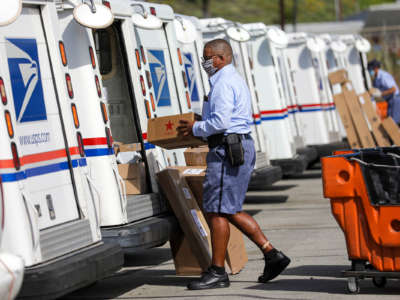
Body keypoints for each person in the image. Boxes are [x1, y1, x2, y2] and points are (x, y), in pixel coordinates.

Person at [177, 39, 290, 290]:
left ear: (222, 58)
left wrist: (195, 127)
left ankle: (217, 271)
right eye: (204, 57)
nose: (205, 62)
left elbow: (220, 121)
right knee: (228, 209)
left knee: (218, 210)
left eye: (209, 58)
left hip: (227, 148)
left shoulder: (223, 83)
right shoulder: (230, 80)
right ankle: (272, 254)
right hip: (235, 146)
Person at [368, 59, 400, 125]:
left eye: (371, 70)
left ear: (376, 68)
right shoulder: (376, 79)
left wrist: (381, 94)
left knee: (394, 122)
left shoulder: (383, 76)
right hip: (389, 101)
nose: (370, 72)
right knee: (389, 121)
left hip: (395, 99)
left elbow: (393, 89)